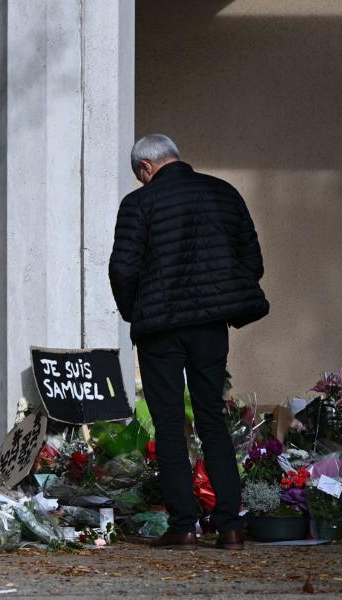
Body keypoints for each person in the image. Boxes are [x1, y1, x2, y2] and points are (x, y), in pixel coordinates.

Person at [109, 134, 268, 550]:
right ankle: (230, 527)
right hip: (210, 326)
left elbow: (123, 269)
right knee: (212, 418)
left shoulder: (138, 204)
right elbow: (253, 260)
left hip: (160, 328)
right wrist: (222, 297)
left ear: (145, 168)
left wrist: (135, 310)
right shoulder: (223, 193)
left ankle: (184, 527)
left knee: (168, 425)